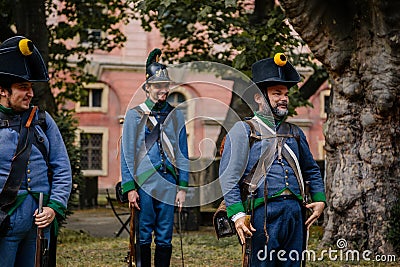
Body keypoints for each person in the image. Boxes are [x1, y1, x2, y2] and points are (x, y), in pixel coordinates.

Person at [219, 53, 326, 266]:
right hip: (261, 213)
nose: (284, 98)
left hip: (295, 213)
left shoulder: (294, 132)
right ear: (259, 97)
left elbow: (311, 170)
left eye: (285, 93)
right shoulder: (243, 130)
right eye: (277, 93)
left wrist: (320, 199)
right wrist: (237, 214)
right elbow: (228, 177)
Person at [0, 36, 72, 266]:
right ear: (3, 90)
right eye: (23, 88)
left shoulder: (42, 120)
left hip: (40, 223)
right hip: (4, 220)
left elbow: (62, 167)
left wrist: (54, 207)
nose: (30, 93)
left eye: (30, 87)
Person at [120, 48, 189, 267]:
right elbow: (127, 154)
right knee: (143, 234)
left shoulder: (175, 114)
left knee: (164, 236)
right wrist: (130, 187)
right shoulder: (135, 115)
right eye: (158, 86)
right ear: (148, 87)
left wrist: (182, 187)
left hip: (168, 183)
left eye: (165, 85)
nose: (163, 90)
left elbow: (183, 153)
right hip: (144, 183)